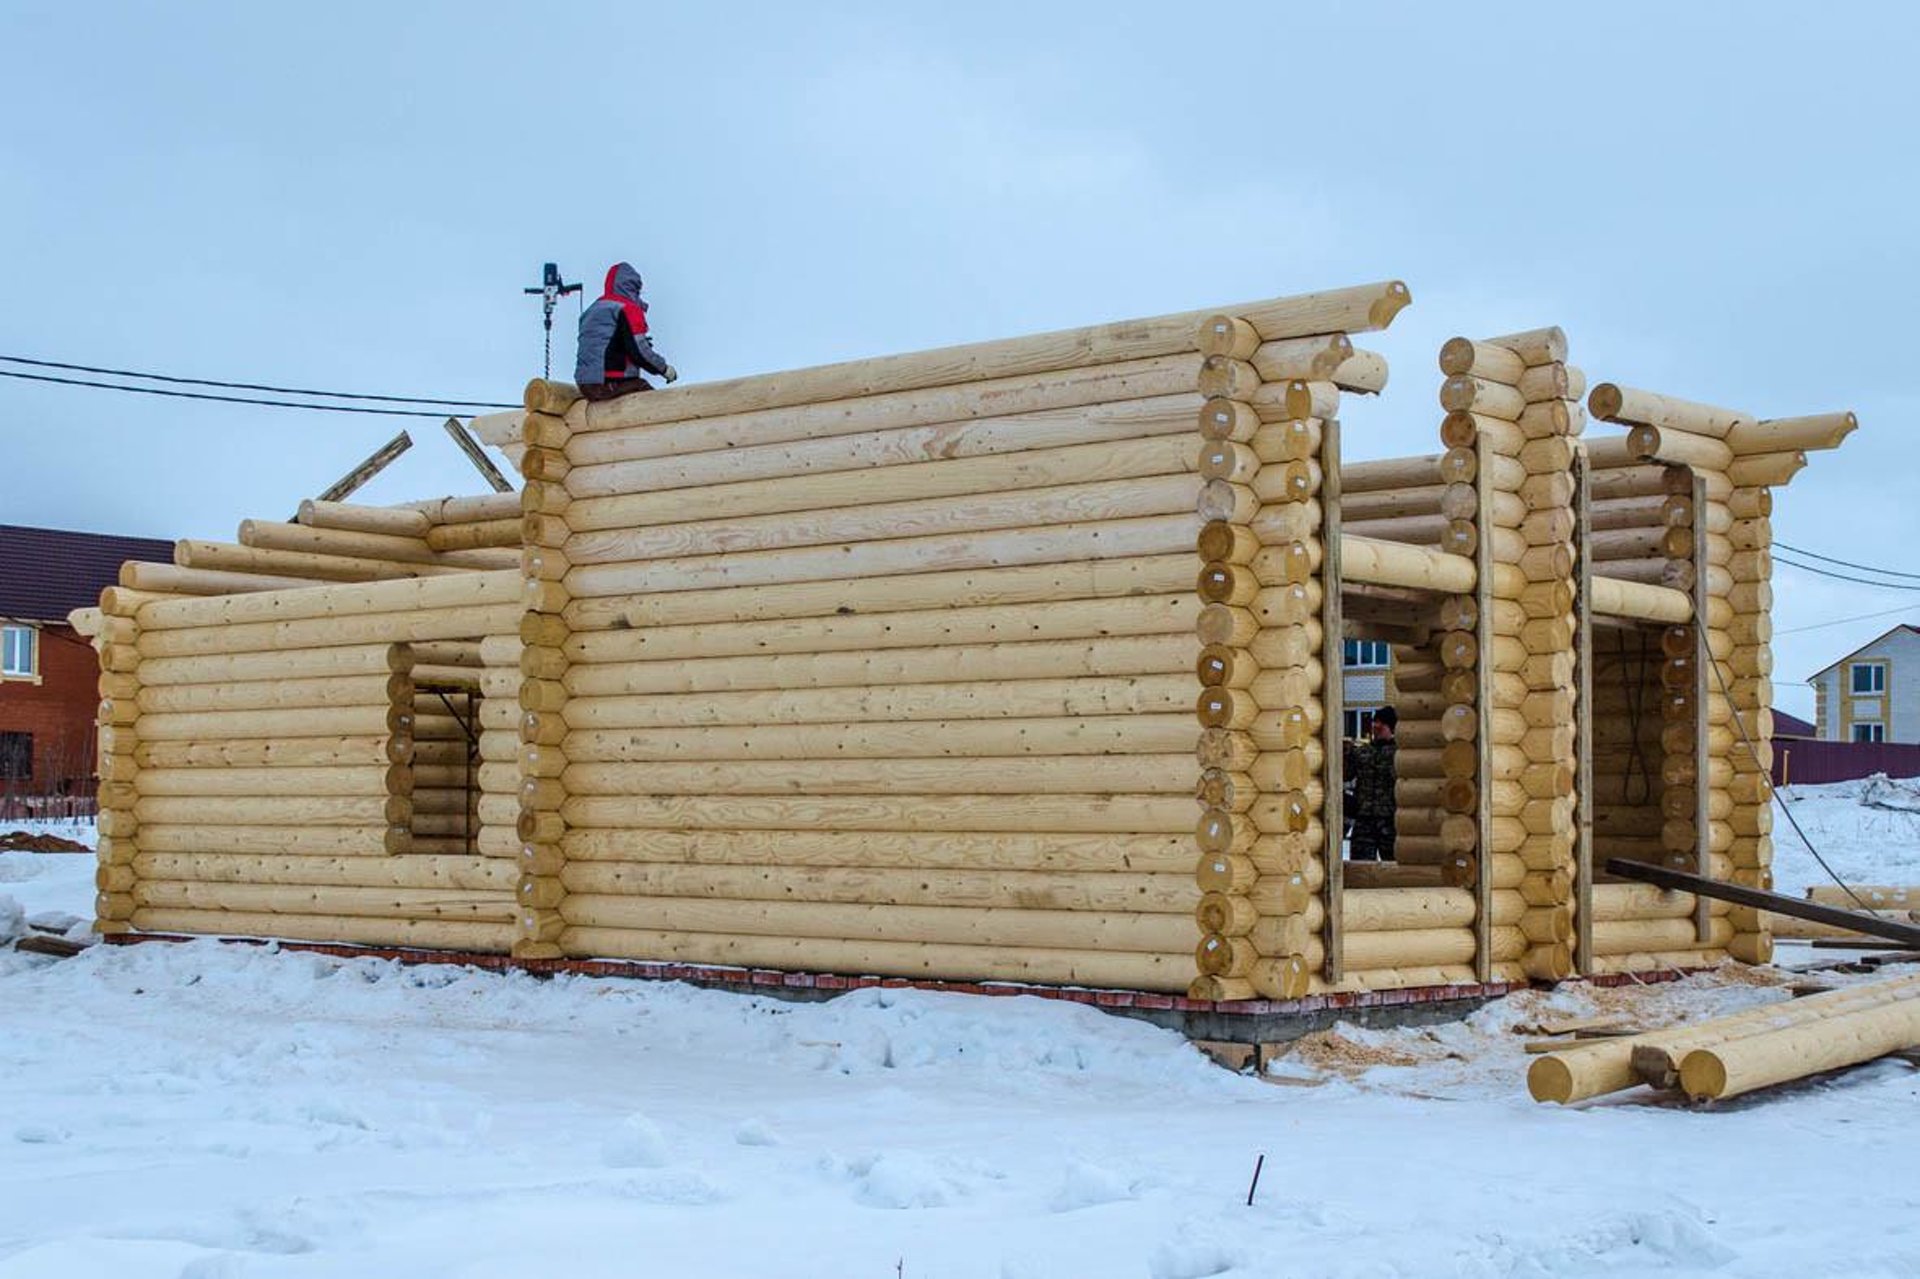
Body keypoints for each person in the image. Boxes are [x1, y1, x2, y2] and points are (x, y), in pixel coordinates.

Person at [575, 262, 678, 401]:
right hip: (610, 381)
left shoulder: (592, 309)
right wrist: (664, 369)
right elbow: (639, 351)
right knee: (651, 400)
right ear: (632, 287)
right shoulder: (627, 308)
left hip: (586, 385)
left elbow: (603, 342)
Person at [1344, 706, 1398, 862]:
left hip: (1390, 821)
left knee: (1394, 869)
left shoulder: (1400, 754)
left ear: (1392, 727)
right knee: (1360, 868)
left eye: (1382, 723)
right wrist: (1345, 755)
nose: (1376, 726)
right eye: (1375, 722)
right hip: (1364, 820)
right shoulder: (1362, 752)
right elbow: (1346, 775)